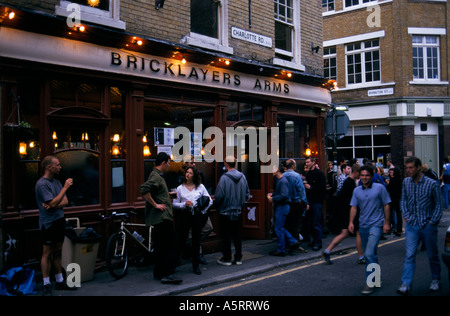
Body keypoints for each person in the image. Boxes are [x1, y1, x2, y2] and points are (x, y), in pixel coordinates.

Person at [397, 157, 443, 295]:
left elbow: (439, 204)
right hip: (412, 225)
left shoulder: (432, 183)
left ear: (418, 168)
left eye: (411, 167)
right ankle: (406, 284)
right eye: (407, 168)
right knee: (409, 255)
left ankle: (435, 279)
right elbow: (403, 200)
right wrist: (406, 216)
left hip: (427, 224)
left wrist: (432, 222)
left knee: (432, 255)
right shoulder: (406, 182)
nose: (408, 170)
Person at [35, 155, 75, 296]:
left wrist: (54, 203)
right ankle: (46, 283)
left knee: (58, 250)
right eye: (57, 165)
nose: (60, 167)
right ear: (49, 167)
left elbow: (64, 202)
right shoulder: (42, 184)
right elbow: (52, 203)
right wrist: (64, 189)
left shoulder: (56, 182)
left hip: (59, 220)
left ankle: (59, 281)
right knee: (47, 252)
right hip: (48, 223)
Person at [140, 152, 182, 284]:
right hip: (162, 218)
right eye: (168, 163)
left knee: (160, 246)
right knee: (170, 245)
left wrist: (165, 194)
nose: (169, 165)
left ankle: (159, 272)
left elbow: (153, 191)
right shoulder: (156, 176)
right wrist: (155, 204)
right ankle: (167, 274)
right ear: (163, 163)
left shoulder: (157, 176)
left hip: (161, 218)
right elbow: (144, 189)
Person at [348, 165, 391, 295]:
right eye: (362, 175)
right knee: (372, 254)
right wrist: (350, 222)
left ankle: (370, 282)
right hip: (363, 226)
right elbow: (354, 207)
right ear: (359, 176)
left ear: (372, 176)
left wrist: (387, 223)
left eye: (367, 175)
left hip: (376, 225)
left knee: (368, 254)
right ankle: (377, 279)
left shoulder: (380, 188)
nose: (364, 178)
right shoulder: (356, 191)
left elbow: (387, 204)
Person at [173, 166, 212, 275]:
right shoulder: (180, 188)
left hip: (197, 215)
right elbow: (174, 204)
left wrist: (202, 209)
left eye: (190, 173)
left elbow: (209, 201)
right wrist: (184, 204)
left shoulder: (200, 187)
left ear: (194, 175)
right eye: (187, 172)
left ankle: (196, 266)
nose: (188, 174)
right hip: (185, 215)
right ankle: (175, 264)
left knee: (196, 241)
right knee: (181, 240)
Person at [322, 164, 363, 264]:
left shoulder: (349, 181)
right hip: (349, 212)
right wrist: (351, 219)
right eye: (360, 174)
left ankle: (327, 251)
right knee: (358, 232)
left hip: (346, 212)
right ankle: (361, 257)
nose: (361, 176)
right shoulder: (350, 182)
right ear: (356, 172)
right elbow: (348, 199)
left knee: (345, 233)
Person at [214, 156, 250, 266]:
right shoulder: (242, 177)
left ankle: (227, 258)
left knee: (226, 236)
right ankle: (238, 258)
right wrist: (241, 203)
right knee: (236, 235)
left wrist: (218, 205)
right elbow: (247, 193)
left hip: (225, 211)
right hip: (238, 211)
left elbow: (219, 196)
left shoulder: (224, 178)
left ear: (226, 164)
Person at [267, 164, 301, 256]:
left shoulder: (282, 181)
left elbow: (284, 195)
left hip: (282, 207)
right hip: (282, 207)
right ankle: (292, 241)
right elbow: (282, 193)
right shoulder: (280, 180)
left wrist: (273, 198)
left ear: (277, 169)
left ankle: (281, 249)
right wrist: (273, 194)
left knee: (278, 228)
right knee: (280, 227)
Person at [283, 159, 309, 246]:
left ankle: (288, 243)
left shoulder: (283, 176)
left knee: (287, 224)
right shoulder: (297, 176)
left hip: (286, 203)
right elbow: (301, 190)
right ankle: (295, 244)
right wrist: (305, 202)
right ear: (293, 166)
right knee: (296, 225)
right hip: (296, 203)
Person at [304, 157, 326, 251]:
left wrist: (311, 187)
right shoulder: (308, 173)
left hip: (316, 202)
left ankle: (318, 242)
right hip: (309, 201)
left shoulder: (320, 174)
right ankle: (314, 240)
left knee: (316, 223)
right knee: (311, 223)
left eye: (308, 162)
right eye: (306, 162)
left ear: (313, 162)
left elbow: (322, 188)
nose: (307, 164)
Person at [386, 167, 403, 236]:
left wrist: (388, 183)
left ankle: (389, 228)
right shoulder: (401, 180)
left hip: (392, 198)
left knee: (390, 214)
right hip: (399, 198)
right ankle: (399, 229)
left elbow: (389, 188)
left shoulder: (393, 180)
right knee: (399, 214)